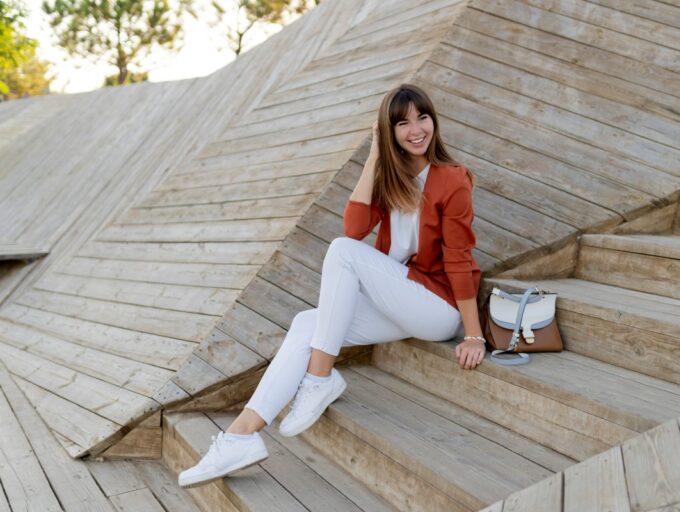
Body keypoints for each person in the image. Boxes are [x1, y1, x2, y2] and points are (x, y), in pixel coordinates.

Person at [178, 83, 486, 489]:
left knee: (342, 252)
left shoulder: (452, 179)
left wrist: (473, 334)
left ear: (434, 121)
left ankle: (319, 378)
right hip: (400, 299)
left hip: (438, 308)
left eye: (422, 118)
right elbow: (355, 226)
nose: (416, 130)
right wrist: (374, 158)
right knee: (307, 323)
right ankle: (240, 436)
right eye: (402, 123)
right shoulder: (392, 179)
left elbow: (458, 259)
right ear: (388, 131)